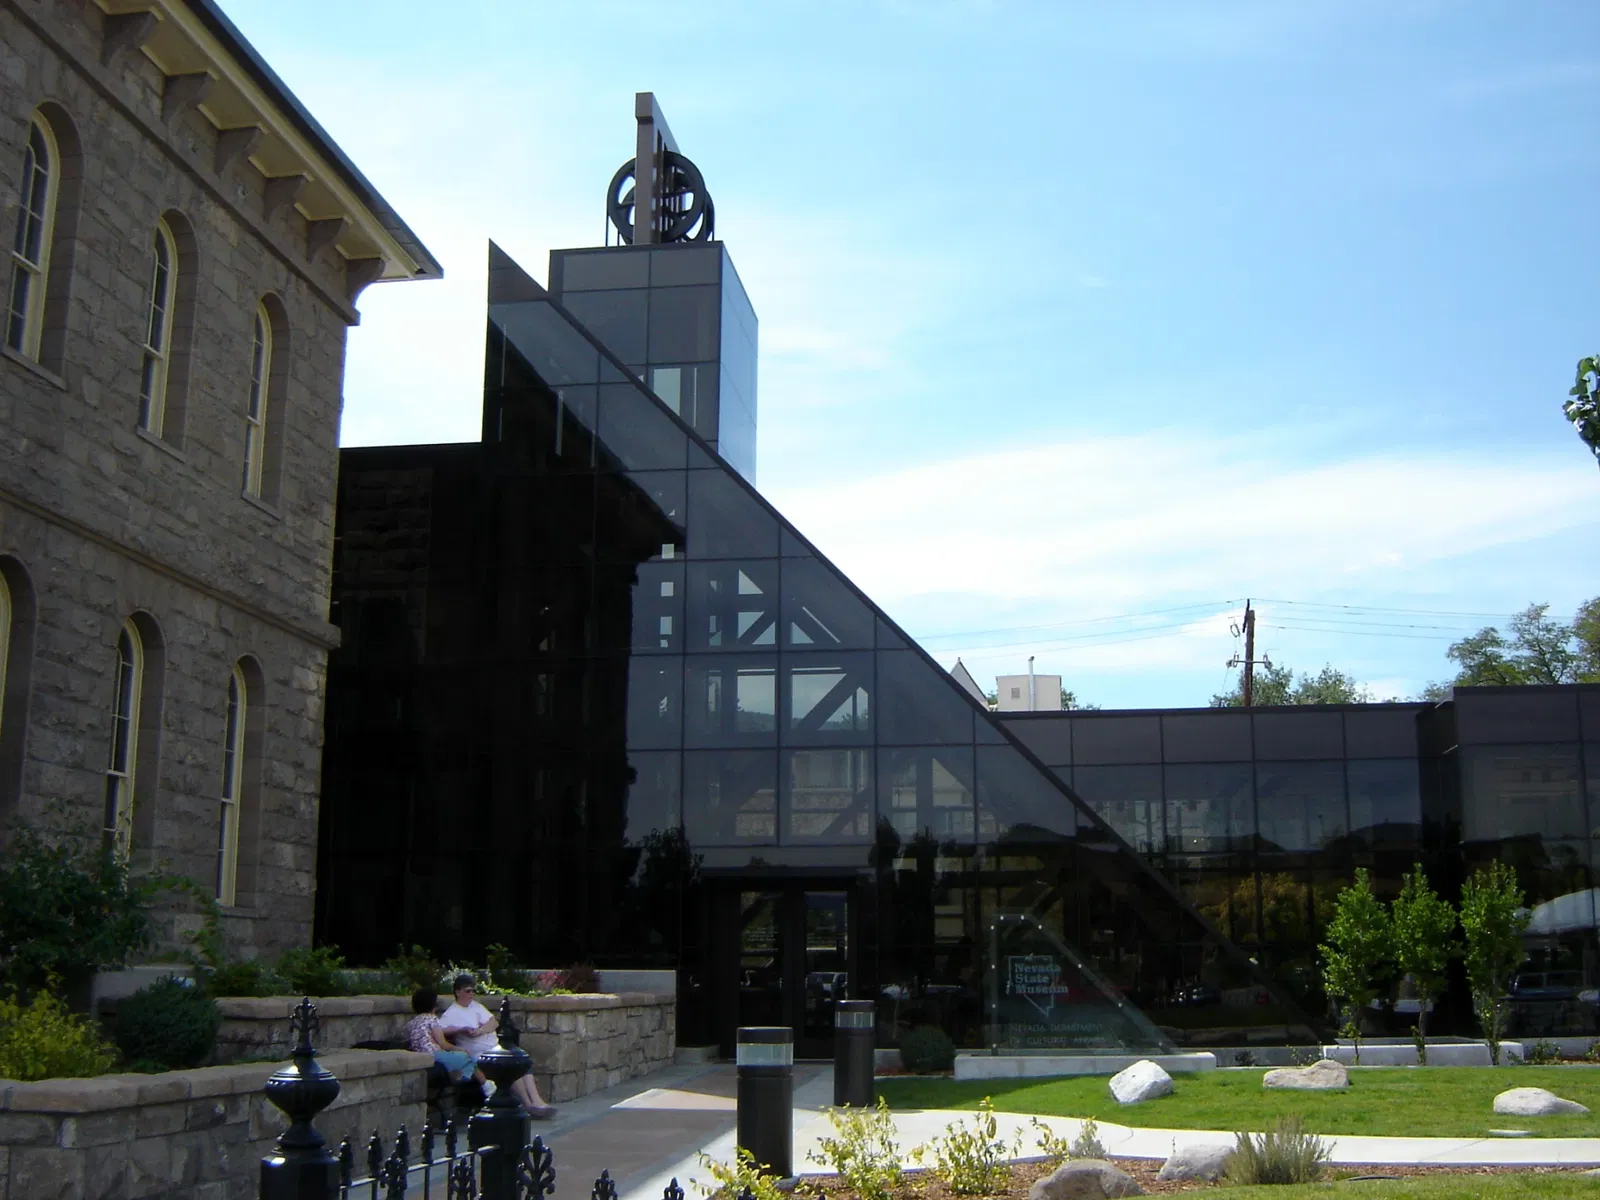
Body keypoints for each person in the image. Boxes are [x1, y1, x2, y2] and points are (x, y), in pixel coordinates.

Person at [440, 974, 557, 1119]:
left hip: (494, 1046)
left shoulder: (476, 1006)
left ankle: (537, 1101)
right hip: (480, 1054)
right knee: (510, 1065)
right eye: (468, 991)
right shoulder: (451, 1013)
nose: (472, 994)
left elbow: (494, 1022)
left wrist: (480, 1030)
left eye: (473, 991)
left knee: (522, 1062)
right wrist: (460, 1029)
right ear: (458, 992)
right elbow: (441, 1030)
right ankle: (528, 1104)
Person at [404, 987, 476, 1082]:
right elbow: (443, 1044)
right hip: (435, 1055)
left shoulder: (411, 1023)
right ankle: (461, 1079)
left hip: (420, 1057)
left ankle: (456, 1075)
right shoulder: (432, 1019)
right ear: (433, 1004)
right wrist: (461, 1049)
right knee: (469, 1058)